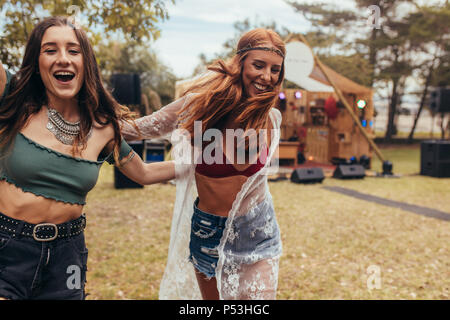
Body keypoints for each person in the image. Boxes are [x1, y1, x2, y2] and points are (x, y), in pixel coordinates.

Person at [0, 16, 175, 300]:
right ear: (37, 60)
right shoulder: (12, 99)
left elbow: (144, 173)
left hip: (67, 256)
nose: (63, 59)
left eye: (73, 50)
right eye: (50, 50)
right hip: (8, 248)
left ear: (86, 63)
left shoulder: (103, 127)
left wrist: (199, 165)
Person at [121, 28, 285, 300]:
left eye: (275, 69)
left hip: (258, 230)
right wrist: (87, 119)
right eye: (259, 65)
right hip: (209, 232)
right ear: (241, 62)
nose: (267, 76)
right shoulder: (201, 106)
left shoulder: (271, 119)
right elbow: (137, 129)